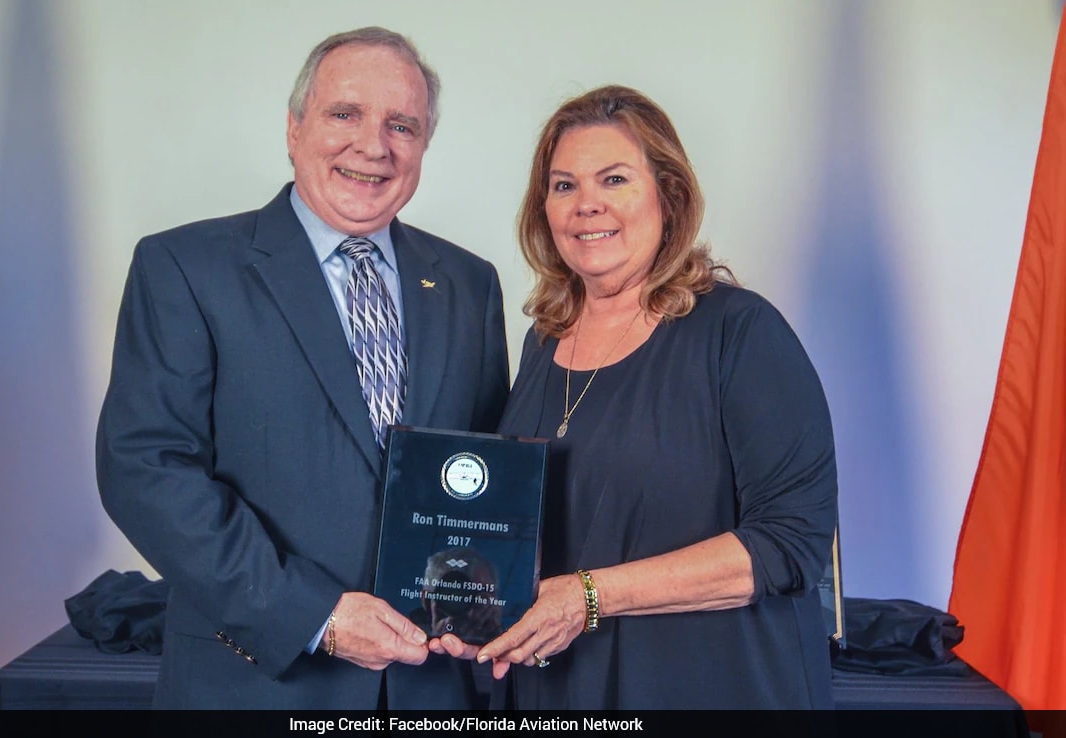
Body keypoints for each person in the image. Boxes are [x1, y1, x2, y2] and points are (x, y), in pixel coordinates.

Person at [95, 26, 509, 710]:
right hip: (256, 686)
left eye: (401, 125)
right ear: (294, 129)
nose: (373, 146)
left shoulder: (470, 284)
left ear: (423, 145)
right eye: (345, 114)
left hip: (431, 688)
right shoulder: (185, 268)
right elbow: (145, 470)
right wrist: (314, 616)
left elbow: (486, 474)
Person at [434, 85, 838, 709]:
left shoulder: (739, 332)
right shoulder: (544, 340)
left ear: (668, 196)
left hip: (704, 690)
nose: (586, 205)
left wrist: (589, 597)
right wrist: (470, 606)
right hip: (560, 689)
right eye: (564, 186)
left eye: (614, 179)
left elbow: (791, 544)